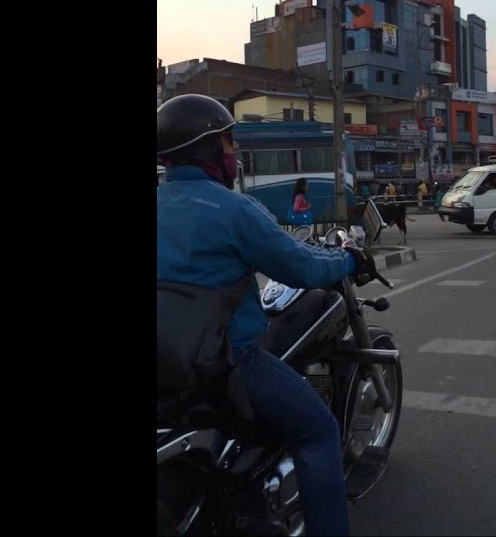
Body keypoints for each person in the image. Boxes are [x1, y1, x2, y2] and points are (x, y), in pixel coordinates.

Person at [158, 94, 378, 537]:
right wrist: (349, 259)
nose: (234, 151)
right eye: (228, 141)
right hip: (227, 359)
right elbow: (301, 266)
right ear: (207, 147)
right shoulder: (233, 209)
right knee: (318, 432)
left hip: (164, 358)